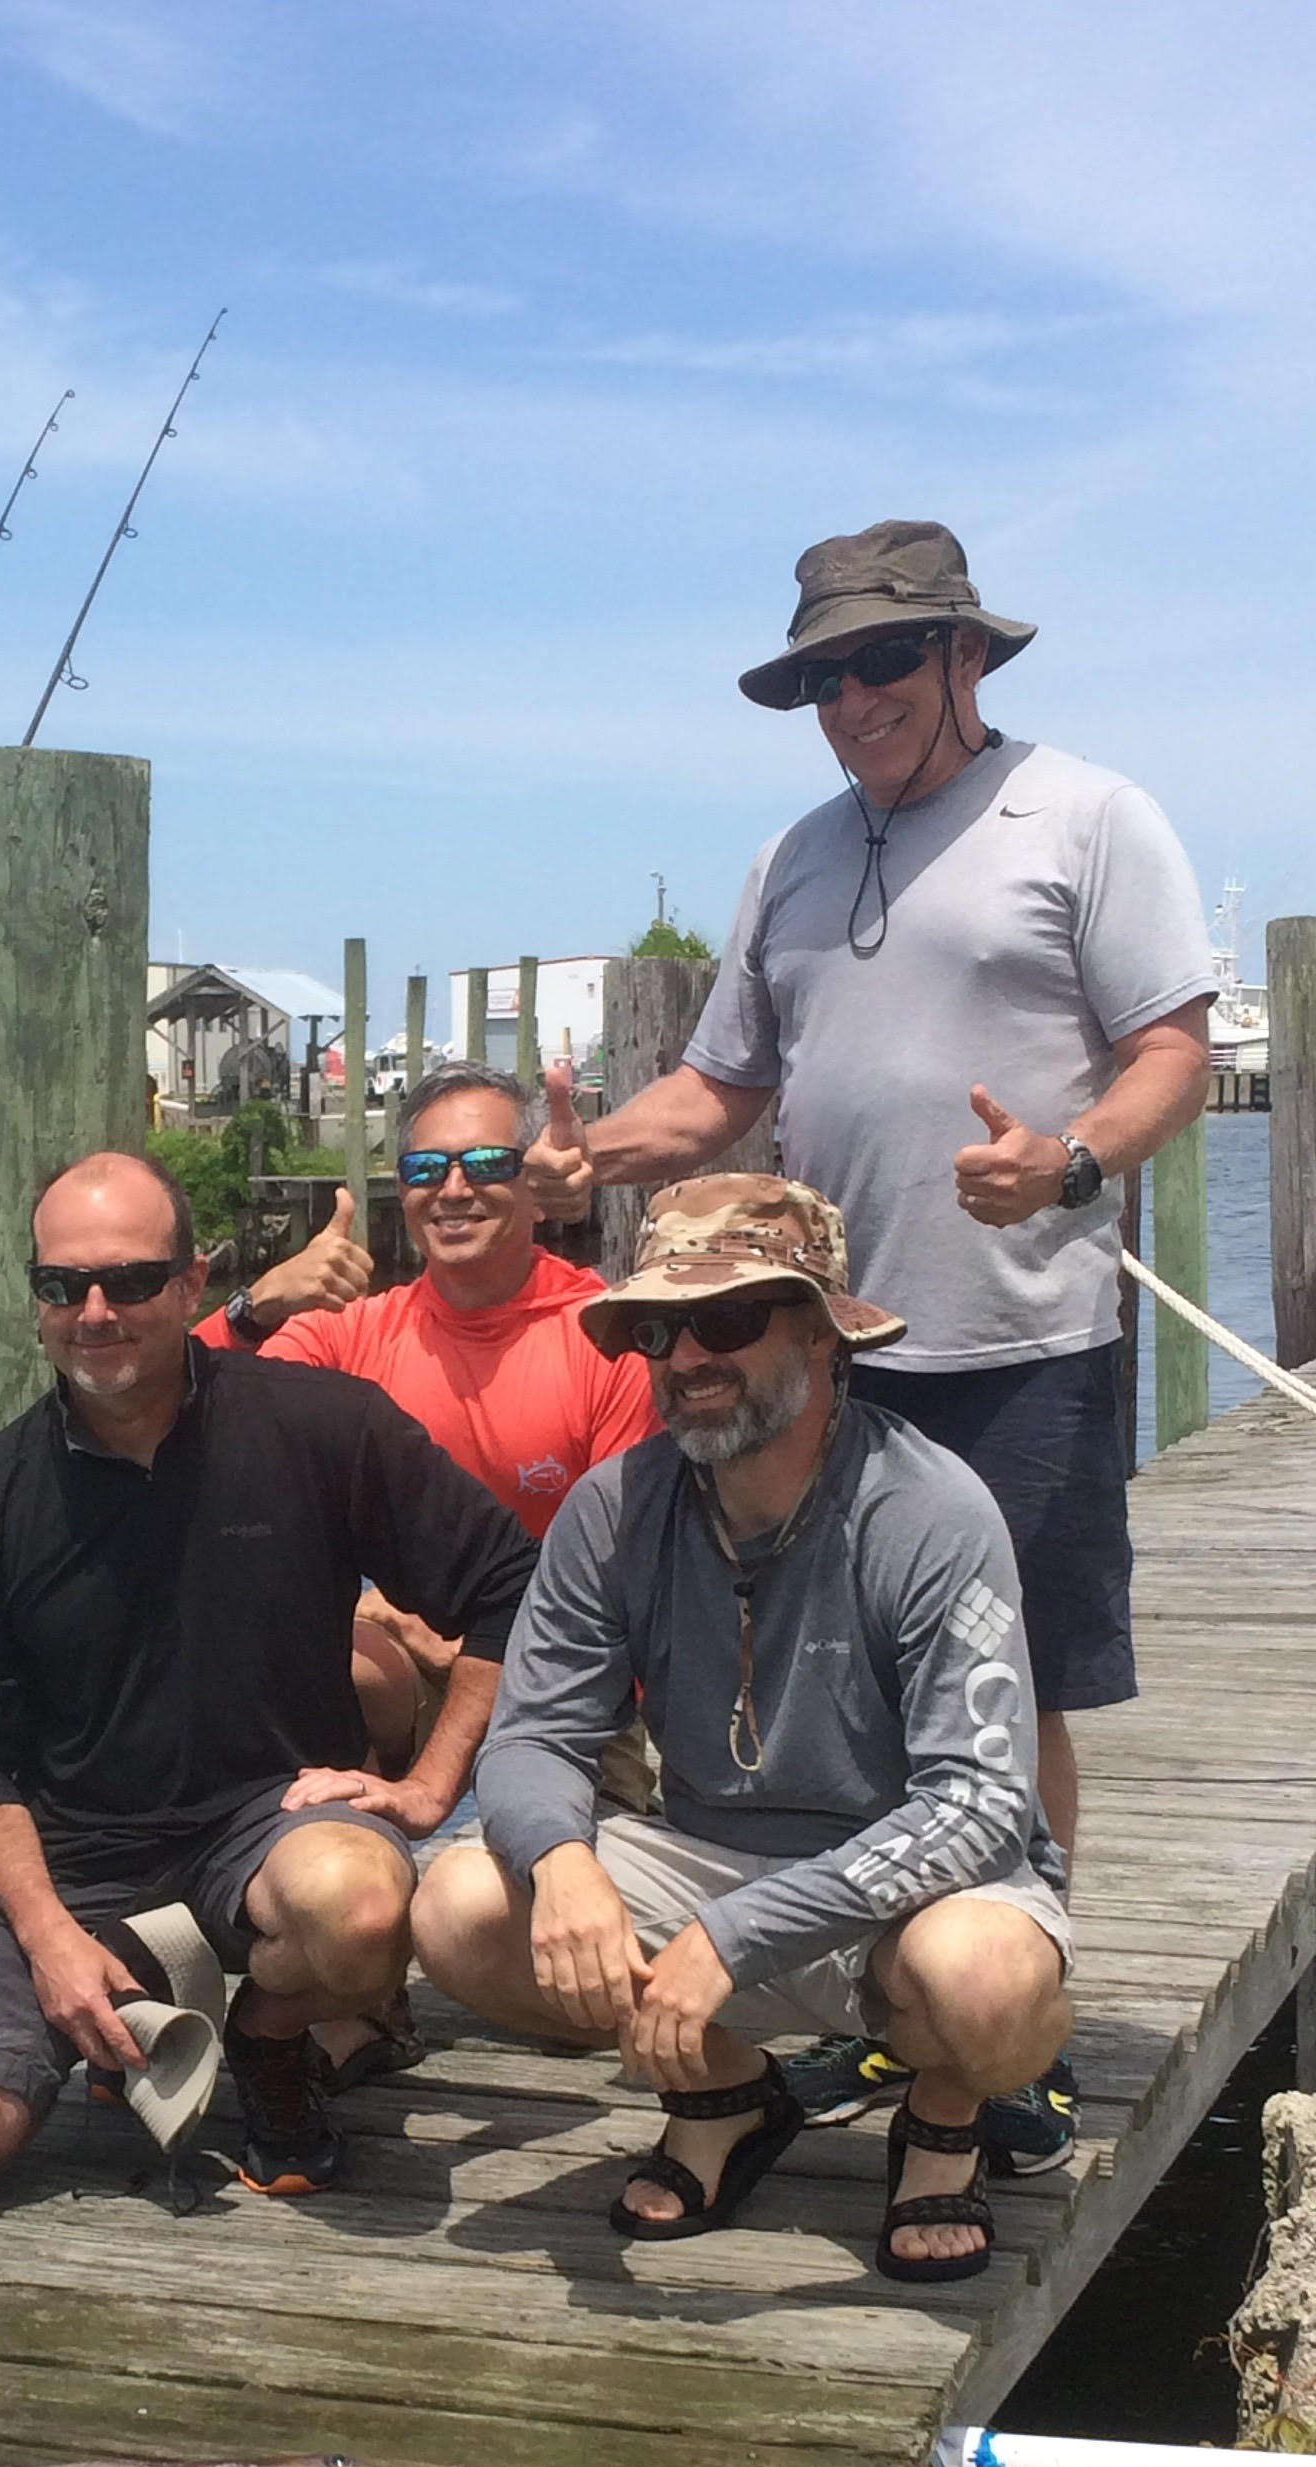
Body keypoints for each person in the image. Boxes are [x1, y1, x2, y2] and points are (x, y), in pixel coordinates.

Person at [524, 520, 1211, 2159]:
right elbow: (722, 1091)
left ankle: (998, 2023)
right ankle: (868, 2002)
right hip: (823, 1353)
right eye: (821, 672)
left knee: (1015, 1679)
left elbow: (1171, 1050)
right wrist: (589, 1155)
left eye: (883, 657)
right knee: (836, 1694)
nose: (850, 695)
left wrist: (1066, 1161)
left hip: (1016, 1338)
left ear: (965, 654)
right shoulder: (794, 855)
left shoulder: (1088, 815)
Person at [414, 1174, 1074, 2285]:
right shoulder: (613, 1507)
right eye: (658, 1329)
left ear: (823, 1332)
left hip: (905, 1894)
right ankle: (722, 2098)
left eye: (724, 1320)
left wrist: (732, 1938)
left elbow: (979, 1806)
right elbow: (530, 1737)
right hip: (709, 1857)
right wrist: (562, 1859)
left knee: (990, 1983)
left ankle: (944, 2117)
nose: (682, 1359)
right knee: (463, 1906)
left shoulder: (931, 1508)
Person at [0, 1148, 536, 2210]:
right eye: (61, 1285)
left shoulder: (323, 1428)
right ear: (32, 1301)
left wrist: (431, 1787)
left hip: (263, 1829)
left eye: (131, 1281)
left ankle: (267, 2033)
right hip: (66, 1864)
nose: (95, 1310)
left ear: (193, 1285)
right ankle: (71, 2001)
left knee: (361, 1910)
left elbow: (510, 1583)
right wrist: (49, 1943)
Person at [194, 1060, 659, 2084]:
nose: (454, 1188)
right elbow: (163, 1396)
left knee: (590, 1988)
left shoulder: (607, 1340)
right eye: (426, 1166)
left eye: (486, 1161)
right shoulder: (360, 1333)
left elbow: (624, 1588)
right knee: (353, 1665)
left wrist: (454, 1640)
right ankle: (359, 1985)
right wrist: (254, 1306)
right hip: (411, 1662)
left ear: (535, 1177)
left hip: (574, 1679)